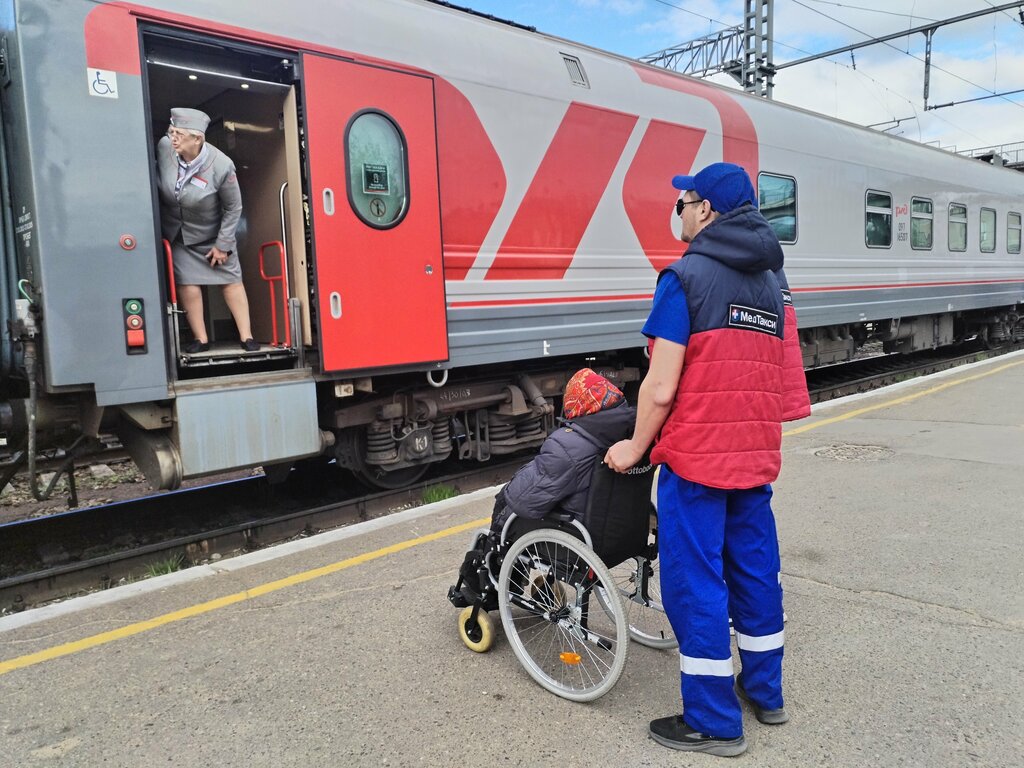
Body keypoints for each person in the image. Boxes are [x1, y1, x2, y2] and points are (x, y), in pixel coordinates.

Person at [605, 162, 787, 757]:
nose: (677, 210)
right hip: (754, 457)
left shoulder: (684, 279)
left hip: (698, 459)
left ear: (705, 210)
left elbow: (659, 388)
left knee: (697, 582)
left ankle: (713, 719)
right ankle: (765, 691)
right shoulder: (771, 285)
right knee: (756, 572)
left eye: (683, 200)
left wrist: (634, 448)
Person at [448, 368, 636, 609]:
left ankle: (494, 586)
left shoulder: (568, 446)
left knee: (506, 511)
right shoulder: (635, 437)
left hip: (579, 538)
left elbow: (522, 500)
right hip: (624, 533)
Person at [157, 107, 258, 353]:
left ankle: (247, 337)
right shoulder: (164, 147)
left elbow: (234, 208)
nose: (173, 138)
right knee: (187, 283)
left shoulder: (222, 166)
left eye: (179, 134)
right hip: (179, 233)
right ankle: (200, 339)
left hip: (215, 233)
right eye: (172, 131)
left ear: (197, 139)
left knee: (231, 281)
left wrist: (222, 245)